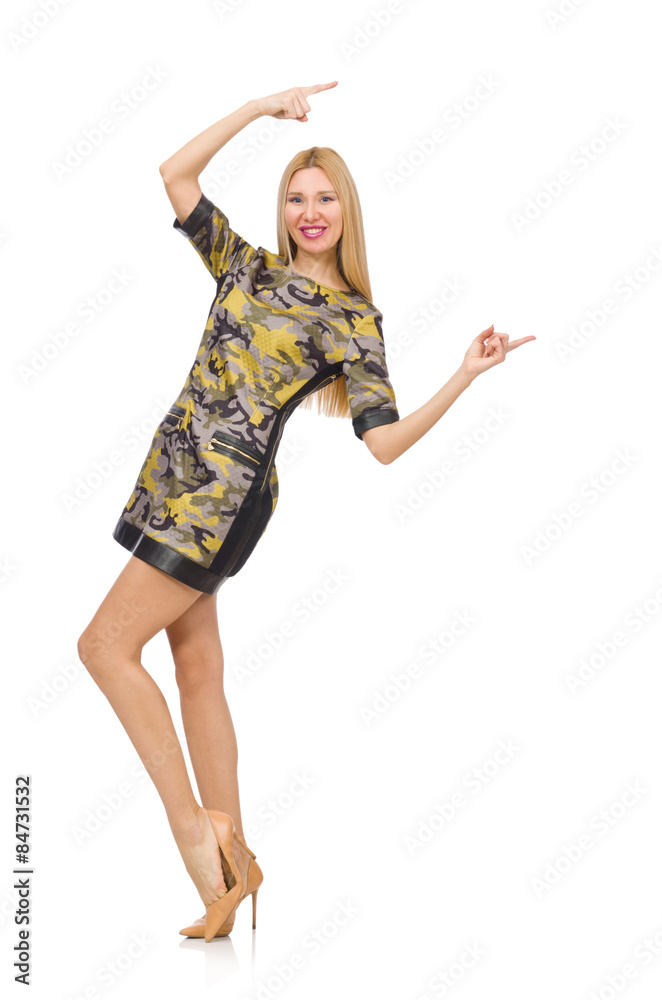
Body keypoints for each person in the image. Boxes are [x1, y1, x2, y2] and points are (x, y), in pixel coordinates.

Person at [76, 82, 535, 942]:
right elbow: (175, 174)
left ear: (346, 212)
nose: (311, 212)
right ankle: (233, 872)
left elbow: (383, 442)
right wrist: (258, 109)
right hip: (169, 474)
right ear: (282, 210)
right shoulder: (244, 265)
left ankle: (195, 833)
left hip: (222, 499)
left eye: (326, 198)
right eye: (296, 197)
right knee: (196, 666)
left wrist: (465, 377)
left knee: (102, 647)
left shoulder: (353, 319)